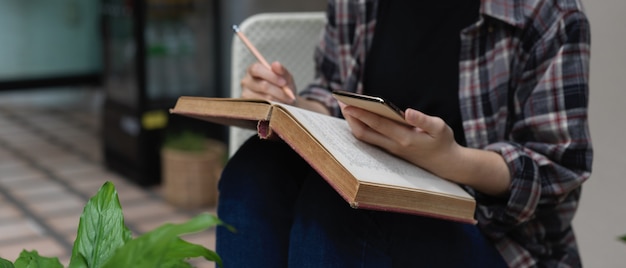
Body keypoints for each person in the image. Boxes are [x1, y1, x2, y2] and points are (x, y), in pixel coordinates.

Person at [216, 0, 592, 267]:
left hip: (497, 238)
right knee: (254, 167)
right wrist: (291, 102)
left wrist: (451, 160)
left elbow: (557, 168)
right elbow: (333, 97)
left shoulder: (547, 13)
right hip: (371, 193)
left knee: (341, 208)